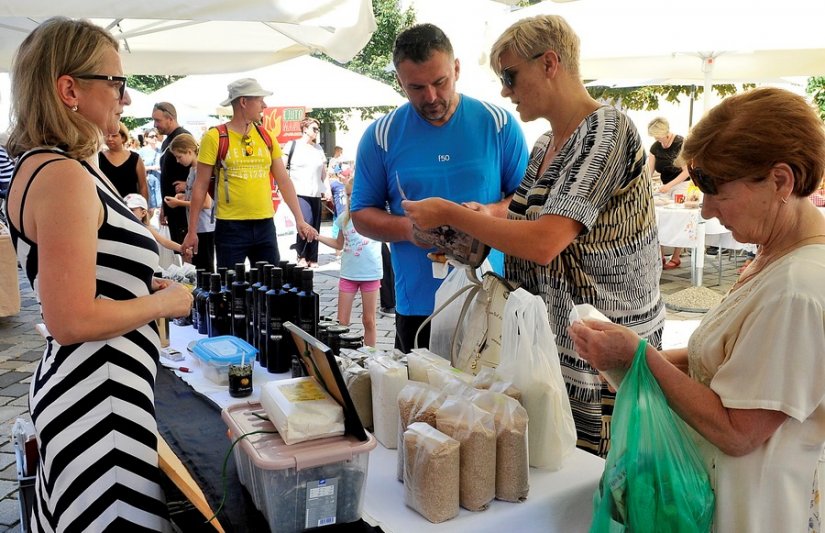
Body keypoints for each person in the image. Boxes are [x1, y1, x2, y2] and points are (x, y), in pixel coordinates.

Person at [402, 15, 665, 457]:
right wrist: (463, 229)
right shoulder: (545, 144)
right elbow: (517, 232)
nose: (505, 90)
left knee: (599, 484)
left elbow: (544, 242)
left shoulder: (608, 129)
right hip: (553, 345)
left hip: (605, 349)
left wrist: (451, 212)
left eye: (509, 75)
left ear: (549, 63)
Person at [569, 87, 825, 532]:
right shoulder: (773, 257)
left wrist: (639, 358)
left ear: (780, 181)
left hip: (754, 512)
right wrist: (624, 361)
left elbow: (739, 432)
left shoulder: (797, 290)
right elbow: (725, 361)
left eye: (714, 190)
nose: (704, 209)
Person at [4, 17, 192, 530]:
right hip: (100, 399)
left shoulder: (52, 165)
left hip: (98, 389)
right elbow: (71, 318)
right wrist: (165, 303)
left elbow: (87, 277)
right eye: (116, 82)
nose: (124, 99)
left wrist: (136, 285)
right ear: (69, 89)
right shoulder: (62, 175)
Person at [350, 23, 529, 353]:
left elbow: (527, 201)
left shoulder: (497, 123)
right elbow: (360, 214)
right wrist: (409, 230)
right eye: (416, 87)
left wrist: (487, 214)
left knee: (495, 403)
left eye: (439, 82)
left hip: (493, 295)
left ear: (456, 69)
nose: (430, 97)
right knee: (423, 404)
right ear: (399, 82)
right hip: (419, 304)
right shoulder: (381, 135)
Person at [182, 78, 317, 269]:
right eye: (260, 100)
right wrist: (192, 231)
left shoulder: (265, 135)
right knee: (230, 291)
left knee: (269, 289)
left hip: (265, 225)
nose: (265, 105)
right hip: (230, 226)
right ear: (243, 102)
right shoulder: (215, 137)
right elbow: (201, 185)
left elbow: (284, 180)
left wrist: (299, 220)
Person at [316, 179, 383, 346]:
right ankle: (341, 356)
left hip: (370, 275)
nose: (351, 198)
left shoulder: (376, 217)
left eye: (355, 194)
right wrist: (317, 237)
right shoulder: (344, 218)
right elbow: (339, 244)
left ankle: (370, 356)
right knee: (341, 322)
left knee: (369, 320)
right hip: (348, 275)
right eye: (347, 195)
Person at [165, 133, 215, 272]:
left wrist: (178, 203)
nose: (177, 161)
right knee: (199, 266)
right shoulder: (193, 170)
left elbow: (205, 203)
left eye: (179, 157)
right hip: (199, 227)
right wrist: (183, 197)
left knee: (204, 268)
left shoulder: (199, 169)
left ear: (189, 151)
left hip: (204, 227)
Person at [284, 117, 329, 268]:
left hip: (315, 191)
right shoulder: (293, 145)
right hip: (298, 190)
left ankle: (313, 256)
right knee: (305, 221)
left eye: (318, 129)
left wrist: (327, 188)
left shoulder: (318, 149)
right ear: (305, 129)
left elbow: (324, 172)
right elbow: (283, 169)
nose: (316, 132)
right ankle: (301, 254)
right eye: (314, 129)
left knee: (315, 224)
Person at [647, 116, 689, 269]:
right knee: (660, 217)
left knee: (678, 219)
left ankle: (676, 256)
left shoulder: (680, 144)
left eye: (658, 136)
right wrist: (645, 184)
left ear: (666, 132)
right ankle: (660, 254)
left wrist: (669, 185)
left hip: (681, 184)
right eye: (654, 137)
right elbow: (649, 170)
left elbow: (686, 172)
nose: (657, 139)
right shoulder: (655, 147)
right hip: (665, 184)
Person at [153, 101, 190, 244]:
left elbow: (200, 165)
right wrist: (165, 206)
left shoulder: (183, 137)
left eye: (158, 120)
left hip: (184, 208)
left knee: (189, 255)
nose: (155, 124)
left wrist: (189, 184)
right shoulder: (166, 141)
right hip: (173, 207)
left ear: (170, 119)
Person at [98, 121, 148, 199]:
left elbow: (143, 186)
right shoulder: (99, 157)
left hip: (131, 206)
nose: (110, 139)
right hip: (107, 205)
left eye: (114, 136)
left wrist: (143, 207)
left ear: (123, 138)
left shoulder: (135, 158)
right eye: (107, 135)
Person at [139, 127, 163, 217]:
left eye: (156, 136)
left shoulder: (160, 150)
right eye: (152, 136)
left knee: (160, 207)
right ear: (146, 138)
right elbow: (139, 168)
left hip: (159, 180)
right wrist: (152, 167)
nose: (154, 138)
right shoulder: (141, 152)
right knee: (149, 208)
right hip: (148, 181)